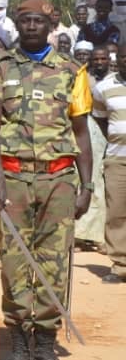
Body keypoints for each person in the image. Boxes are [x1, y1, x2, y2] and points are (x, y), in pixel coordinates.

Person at [0, 0, 93, 360]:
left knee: (54, 265)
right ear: (16, 23)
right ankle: (17, 346)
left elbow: (81, 133)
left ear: (51, 24)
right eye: (24, 20)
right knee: (13, 265)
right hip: (13, 179)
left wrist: (87, 186)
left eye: (38, 21)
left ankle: (44, 348)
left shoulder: (72, 71)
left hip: (59, 180)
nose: (31, 26)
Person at [92, 39, 126, 283]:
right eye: (124, 56)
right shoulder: (103, 87)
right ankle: (120, 264)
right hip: (117, 159)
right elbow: (102, 120)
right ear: (119, 59)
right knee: (116, 212)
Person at [75, 42, 109, 253]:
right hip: (87, 128)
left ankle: (100, 236)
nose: (99, 62)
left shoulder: (114, 80)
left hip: (109, 133)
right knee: (88, 181)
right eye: (95, 59)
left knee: (104, 186)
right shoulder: (82, 77)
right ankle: (80, 236)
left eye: (102, 58)